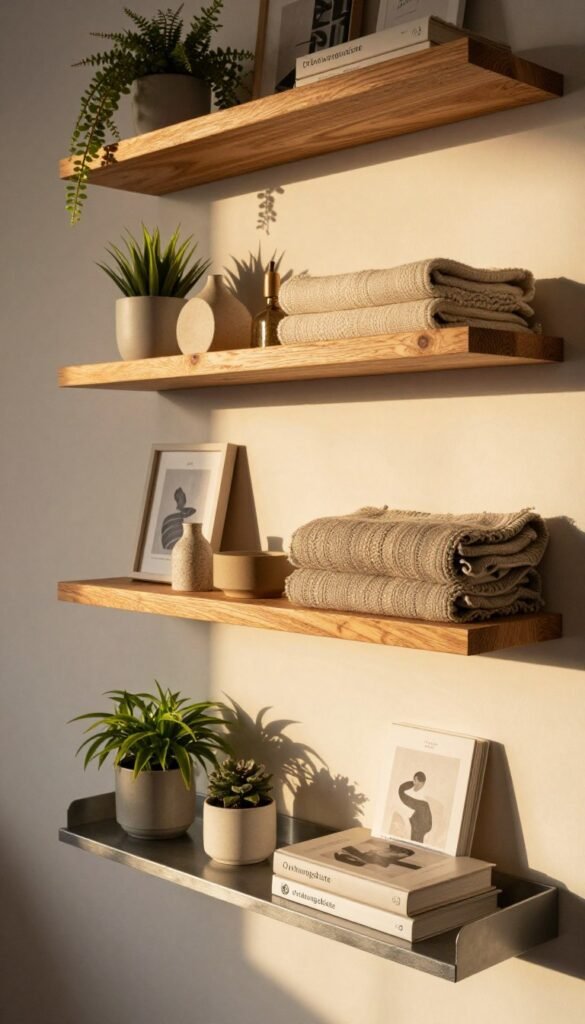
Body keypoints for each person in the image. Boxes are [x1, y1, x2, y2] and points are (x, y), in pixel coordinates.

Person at [398, 771, 433, 843]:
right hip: (408, 823)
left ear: (423, 784)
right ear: (414, 780)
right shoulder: (406, 792)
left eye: (420, 784)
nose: (417, 786)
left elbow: (427, 823)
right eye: (415, 781)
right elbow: (401, 790)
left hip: (417, 827)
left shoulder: (423, 799)